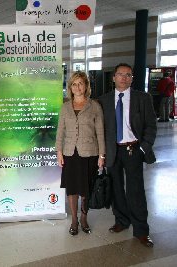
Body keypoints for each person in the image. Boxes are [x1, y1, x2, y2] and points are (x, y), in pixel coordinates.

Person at [99, 63, 157, 248]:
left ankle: (141, 230)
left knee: (136, 190)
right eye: (120, 74)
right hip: (113, 150)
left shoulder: (143, 98)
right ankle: (121, 221)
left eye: (128, 75)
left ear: (132, 78)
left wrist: (143, 148)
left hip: (133, 149)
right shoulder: (103, 100)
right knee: (116, 188)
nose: (124, 78)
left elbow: (151, 126)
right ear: (113, 77)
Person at [55, 71, 105, 236]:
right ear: (70, 87)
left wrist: (102, 155)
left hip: (89, 153)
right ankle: (74, 220)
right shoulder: (65, 106)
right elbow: (60, 131)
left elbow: (100, 133)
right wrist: (59, 152)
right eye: (74, 84)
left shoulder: (94, 106)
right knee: (72, 188)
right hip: (70, 153)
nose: (78, 87)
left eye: (81, 83)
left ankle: (84, 218)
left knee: (86, 188)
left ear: (86, 86)